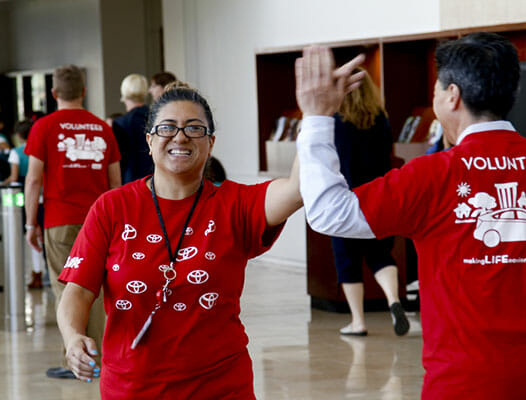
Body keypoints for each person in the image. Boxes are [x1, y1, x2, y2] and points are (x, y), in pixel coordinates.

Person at [294, 37, 526, 399]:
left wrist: (317, 118)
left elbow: (329, 213)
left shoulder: (431, 177)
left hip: (461, 388)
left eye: (434, 92)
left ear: (452, 95)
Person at [55, 81, 333, 398]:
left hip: (220, 386)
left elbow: (298, 188)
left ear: (211, 143)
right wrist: (73, 336)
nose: (180, 136)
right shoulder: (111, 208)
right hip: (132, 387)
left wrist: (314, 116)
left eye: (194, 128)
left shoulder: (236, 204)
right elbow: (77, 291)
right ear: (149, 141)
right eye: (167, 128)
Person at [24, 65, 121, 379]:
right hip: (101, 220)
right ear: (84, 91)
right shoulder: (103, 128)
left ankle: (81, 361)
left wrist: (30, 223)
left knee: (67, 288)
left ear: (53, 94)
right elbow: (115, 181)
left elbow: (34, 179)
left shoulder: (44, 127)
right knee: (96, 290)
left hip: (61, 220)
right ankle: (97, 357)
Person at [331, 68, 409, 337]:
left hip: (344, 197)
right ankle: (393, 300)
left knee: (347, 259)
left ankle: (358, 321)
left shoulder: (336, 120)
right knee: (378, 254)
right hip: (377, 196)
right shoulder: (381, 119)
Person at [3, 120, 45, 289]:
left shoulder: (16, 152)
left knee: (30, 235)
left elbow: (14, 178)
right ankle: (42, 271)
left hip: (25, 198)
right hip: (45, 196)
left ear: (18, 136)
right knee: (43, 237)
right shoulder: (42, 149)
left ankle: (34, 273)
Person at [112, 73, 153, 183]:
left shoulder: (120, 123)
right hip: (156, 180)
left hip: (130, 181)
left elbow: (119, 162)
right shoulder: (157, 117)